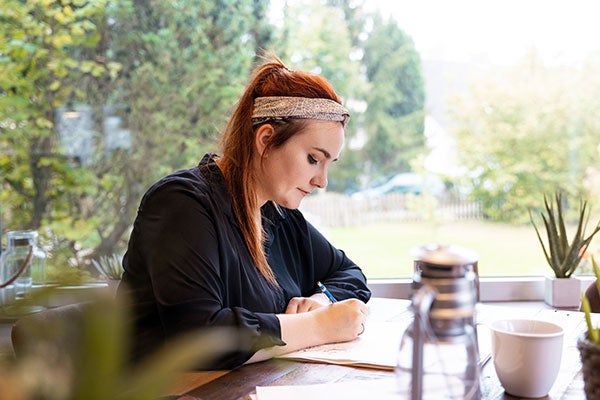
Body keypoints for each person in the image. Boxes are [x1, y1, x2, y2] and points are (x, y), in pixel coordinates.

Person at [118, 53, 371, 370]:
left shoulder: (278, 214)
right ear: (266, 139)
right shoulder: (181, 204)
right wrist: (320, 326)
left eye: (328, 164)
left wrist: (321, 302)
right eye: (313, 159)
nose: (322, 181)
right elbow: (198, 339)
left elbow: (350, 274)